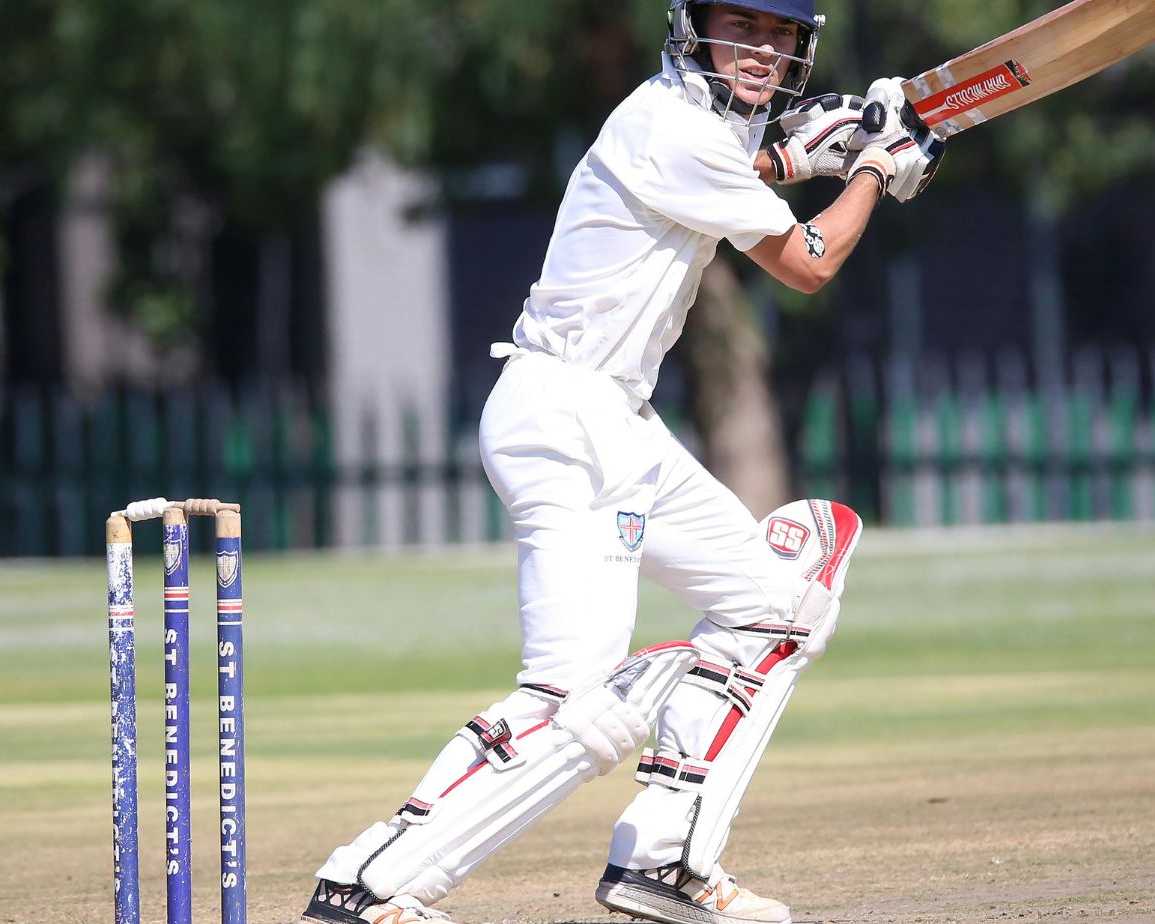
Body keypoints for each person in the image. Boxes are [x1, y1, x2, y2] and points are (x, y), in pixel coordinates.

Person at [298, 2, 940, 923]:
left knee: (781, 608)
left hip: (617, 422)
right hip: (566, 418)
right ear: (694, 27)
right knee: (577, 699)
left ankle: (666, 858)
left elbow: (742, 169)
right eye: (743, 25)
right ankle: (368, 884)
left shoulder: (700, 130)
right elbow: (808, 262)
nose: (763, 49)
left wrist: (807, 156)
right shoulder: (668, 123)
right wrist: (873, 167)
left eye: (781, 34)